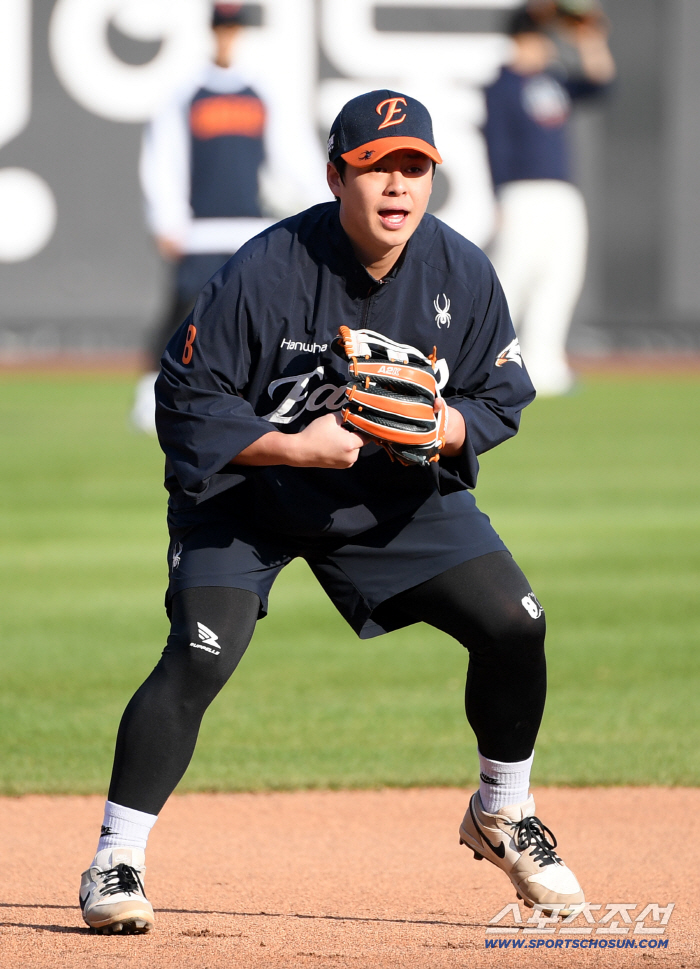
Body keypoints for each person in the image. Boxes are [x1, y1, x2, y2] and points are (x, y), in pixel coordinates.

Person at [80, 90, 584, 935]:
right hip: (248, 495)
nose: (398, 185)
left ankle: (504, 810)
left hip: (388, 494)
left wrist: (445, 424)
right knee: (202, 652)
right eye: (377, 165)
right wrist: (292, 448)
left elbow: (501, 392)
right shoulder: (263, 269)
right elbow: (184, 401)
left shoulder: (459, 270)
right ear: (334, 176)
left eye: (416, 167)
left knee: (516, 622)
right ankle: (114, 858)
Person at [132, 2, 326, 432]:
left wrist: (320, 201)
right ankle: (152, 395)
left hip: (248, 228)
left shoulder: (261, 91)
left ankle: (251, 398)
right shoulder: (187, 93)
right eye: (222, 28)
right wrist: (166, 217)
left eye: (234, 28)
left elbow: (293, 153)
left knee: (255, 318)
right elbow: (164, 157)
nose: (228, 36)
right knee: (183, 315)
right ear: (213, 32)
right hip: (198, 229)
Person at [483, 3, 615, 395]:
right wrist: (499, 198)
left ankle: (545, 365)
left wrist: (590, 37)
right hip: (521, 192)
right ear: (521, 40)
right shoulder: (502, 84)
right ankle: (484, 362)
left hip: (561, 193)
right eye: (539, 38)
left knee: (560, 278)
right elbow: (496, 145)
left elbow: (602, 84)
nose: (546, 45)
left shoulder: (553, 80)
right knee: (511, 278)